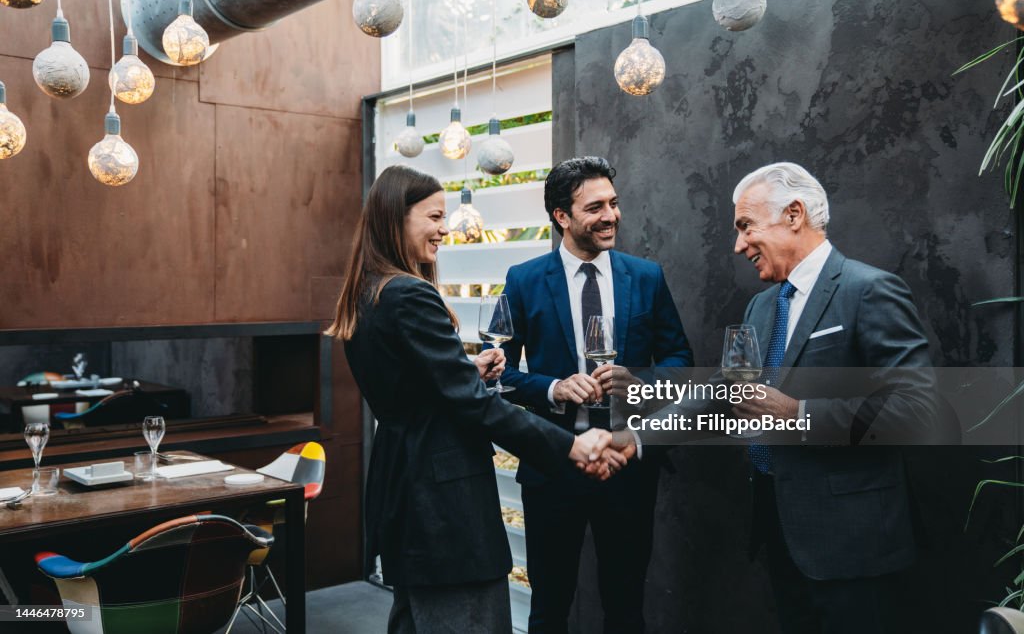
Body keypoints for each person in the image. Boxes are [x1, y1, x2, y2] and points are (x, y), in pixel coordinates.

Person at [327, 165, 626, 634]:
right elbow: (473, 405)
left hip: (405, 489)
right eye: (434, 216)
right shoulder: (408, 294)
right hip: (443, 506)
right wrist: (571, 445)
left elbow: (411, 391)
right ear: (395, 219)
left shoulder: (369, 293)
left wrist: (466, 372)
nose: (444, 229)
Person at [726, 162, 936, 633]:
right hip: (781, 533)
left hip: (854, 546)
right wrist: (637, 434)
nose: (739, 245)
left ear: (794, 214)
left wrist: (798, 414)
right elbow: (728, 391)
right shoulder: (760, 306)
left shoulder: (870, 291)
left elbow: (917, 411)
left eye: (745, 226)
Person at [499, 156, 693, 634]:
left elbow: (680, 361)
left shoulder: (646, 276)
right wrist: (552, 387)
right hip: (553, 467)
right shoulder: (523, 280)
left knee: (626, 607)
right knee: (549, 607)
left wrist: (639, 384)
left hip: (627, 468)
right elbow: (499, 375)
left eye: (614, 203)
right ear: (562, 217)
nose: (611, 216)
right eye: (595, 207)